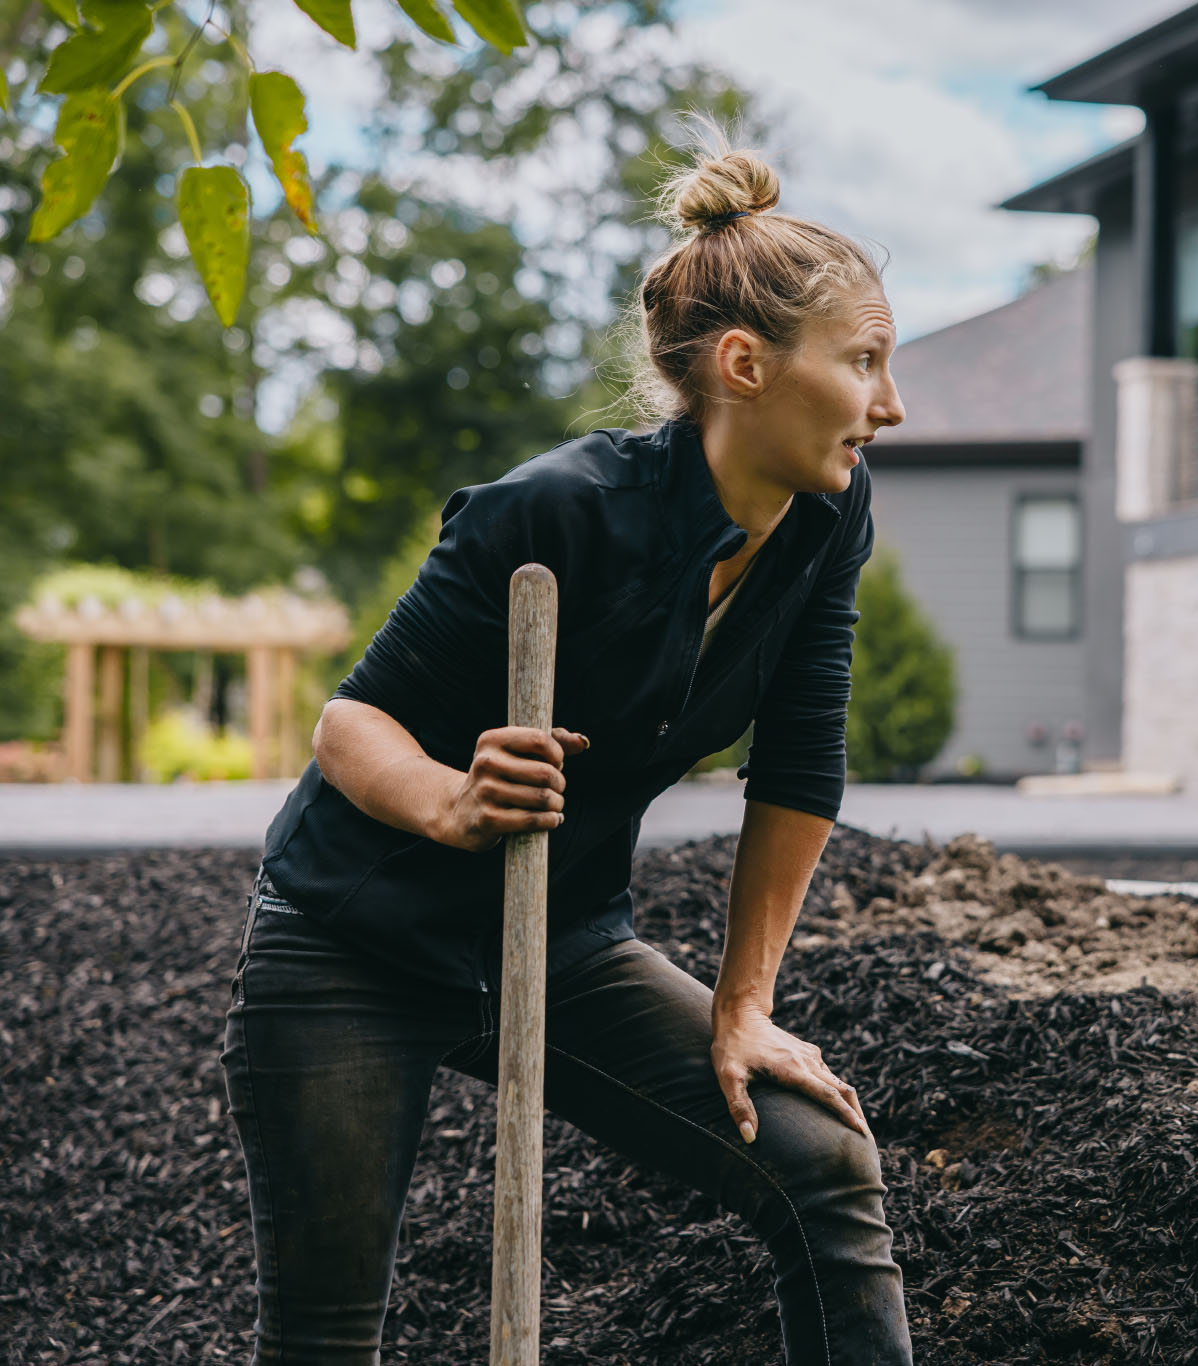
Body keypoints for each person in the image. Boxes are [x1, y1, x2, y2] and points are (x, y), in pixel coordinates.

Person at [221, 126, 911, 1365]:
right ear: (746, 364)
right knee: (323, 1338)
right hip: (354, 943)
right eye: (863, 363)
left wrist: (744, 1005)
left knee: (823, 1166)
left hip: (561, 935)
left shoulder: (823, 518)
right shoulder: (557, 511)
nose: (890, 405)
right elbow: (347, 723)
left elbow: (800, 760)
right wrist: (447, 799)